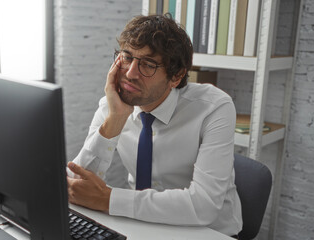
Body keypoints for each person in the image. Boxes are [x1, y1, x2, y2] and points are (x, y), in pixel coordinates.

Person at [66, 14, 242, 237]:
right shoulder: (114, 104)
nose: (130, 74)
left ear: (176, 77)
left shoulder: (214, 107)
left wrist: (108, 199)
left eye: (147, 65)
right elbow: (78, 185)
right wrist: (116, 119)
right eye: (127, 58)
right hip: (140, 225)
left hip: (206, 232)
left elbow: (203, 206)